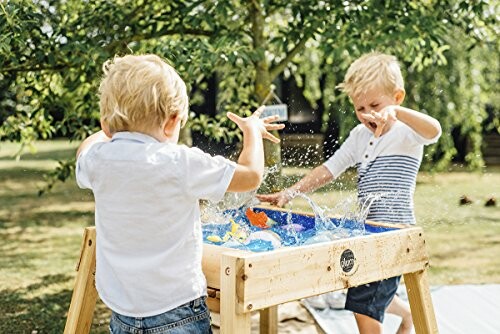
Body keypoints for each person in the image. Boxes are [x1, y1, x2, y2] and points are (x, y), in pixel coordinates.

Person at [75, 54, 284, 334]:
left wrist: (110, 130)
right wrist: (252, 132)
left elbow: (84, 150)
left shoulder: (99, 159)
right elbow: (250, 175)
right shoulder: (178, 161)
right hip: (177, 311)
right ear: (172, 122)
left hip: (122, 312)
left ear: (105, 123)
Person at [257, 52, 441, 334]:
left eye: (376, 105)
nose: (367, 114)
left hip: (395, 233)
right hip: (368, 232)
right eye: (360, 107)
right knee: (364, 291)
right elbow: (329, 169)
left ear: (397, 97)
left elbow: (434, 130)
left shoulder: (407, 132)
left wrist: (398, 114)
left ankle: (406, 318)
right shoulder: (359, 135)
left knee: (361, 304)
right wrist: (291, 192)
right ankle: (408, 316)